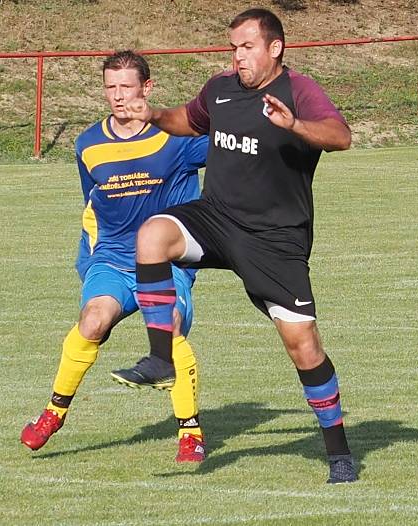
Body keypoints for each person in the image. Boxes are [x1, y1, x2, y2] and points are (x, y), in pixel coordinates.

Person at [109, 9, 357, 483]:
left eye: (246, 46)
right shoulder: (221, 87)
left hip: (275, 239)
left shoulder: (298, 91)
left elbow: (340, 136)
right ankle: (161, 359)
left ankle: (339, 450)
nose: (237, 55)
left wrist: (296, 127)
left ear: (274, 48)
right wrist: (156, 115)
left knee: (302, 346)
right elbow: (189, 120)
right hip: (218, 217)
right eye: (234, 47)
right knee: (152, 236)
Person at [20, 50, 210, 462]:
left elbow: (233, 150)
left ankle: (190, 431)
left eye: (127, 86)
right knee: (92, 320)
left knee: (170, 325)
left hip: (164, 263)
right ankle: (54, 413)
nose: (119, 96)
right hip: (111, 260)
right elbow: (92, 204)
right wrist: (90, 261)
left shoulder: (177, 138)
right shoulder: (88, 144)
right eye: (111, 87)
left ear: (147, 87)